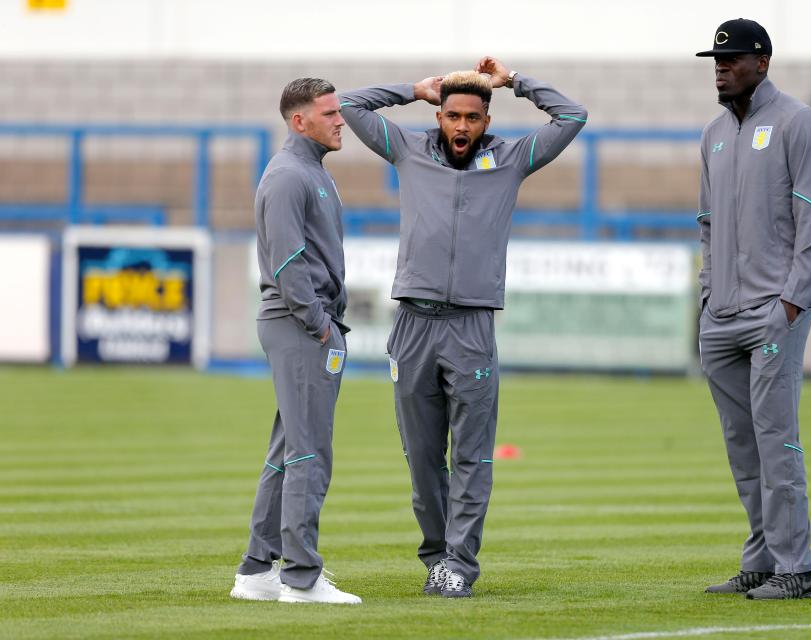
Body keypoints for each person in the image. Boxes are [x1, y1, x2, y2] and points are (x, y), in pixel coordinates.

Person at [340, 57, 587, 598]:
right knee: (423, 458)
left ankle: (458, 562)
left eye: (472, 118)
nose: (460, 127)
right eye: (452, 115)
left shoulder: (511, 159)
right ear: (440, 116)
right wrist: (413, 89)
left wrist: (517, 81)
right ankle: (437, 556)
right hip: (412, 325)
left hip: (472, 327)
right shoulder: (407, 150)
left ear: (486, 119)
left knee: (472, 455)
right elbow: (350, 105)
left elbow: (572, 116)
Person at [695, 19, 811, 600]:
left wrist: (792, 301)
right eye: (717, 60)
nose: (722, 67)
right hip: (721, 316)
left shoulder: (798, 123)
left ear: (763, 62)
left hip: (774, 312)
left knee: (777, 442)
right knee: (744, 449)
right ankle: (762, 559)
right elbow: (706, 225)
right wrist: (707, 296)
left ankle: (797, 570)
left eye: (734, 58)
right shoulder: (713, 134)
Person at [229, 78, 361, 605]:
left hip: (304, 323)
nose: (340, 120)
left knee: (288, 452)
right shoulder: (288, 176)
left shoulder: (311, 172)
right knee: (310, 453)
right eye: (328, 113)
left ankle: (257, 571)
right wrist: (320, 324)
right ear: (298, 121)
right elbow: (287, 263)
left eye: (338, 111)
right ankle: (301, 578)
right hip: (300, 324)